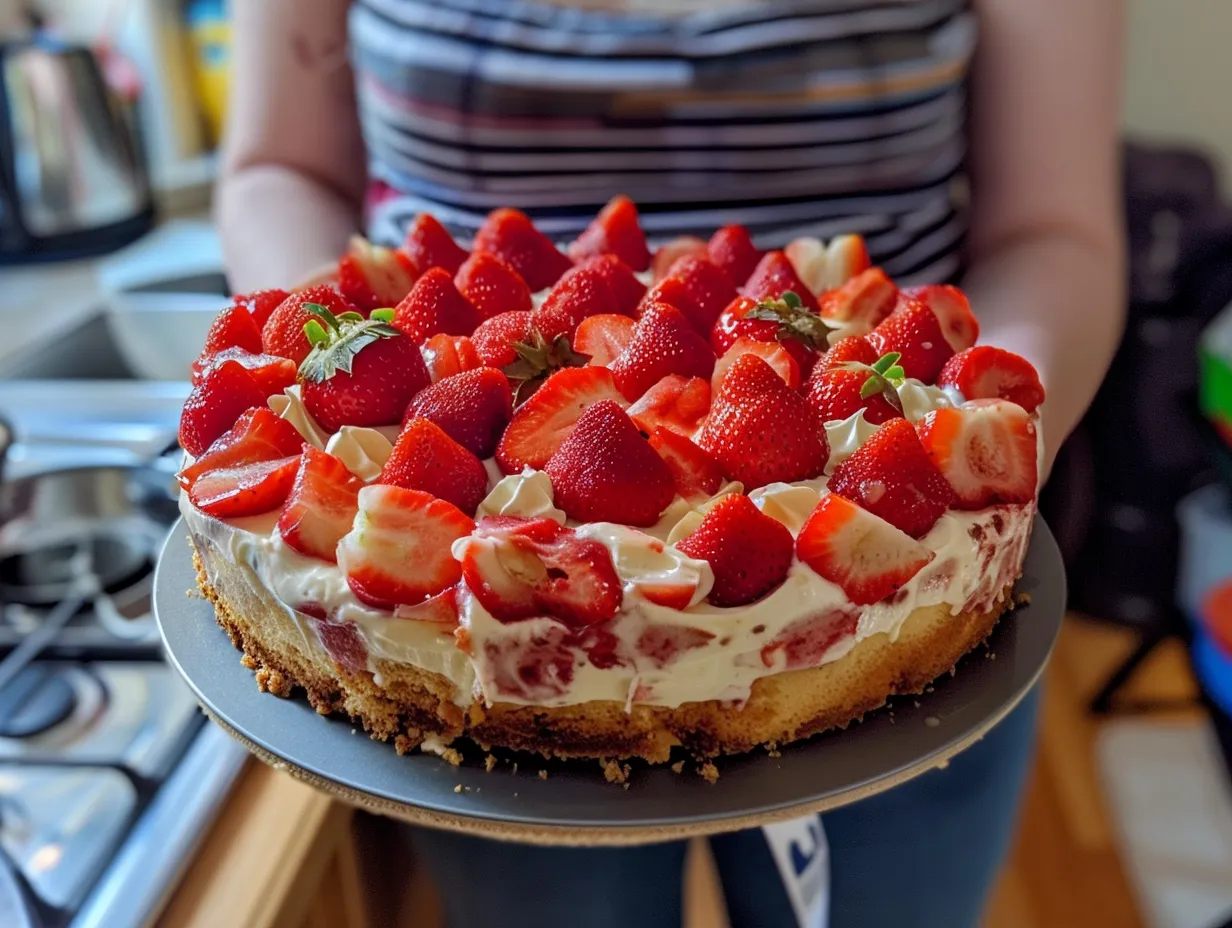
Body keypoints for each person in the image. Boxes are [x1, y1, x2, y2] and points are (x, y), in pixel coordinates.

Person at [215, 1, 1126, 925]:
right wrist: (328, 378)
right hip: (438, 440)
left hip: (881, 448)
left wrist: (985, 447)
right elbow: (277, 166)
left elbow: (1053, 226)